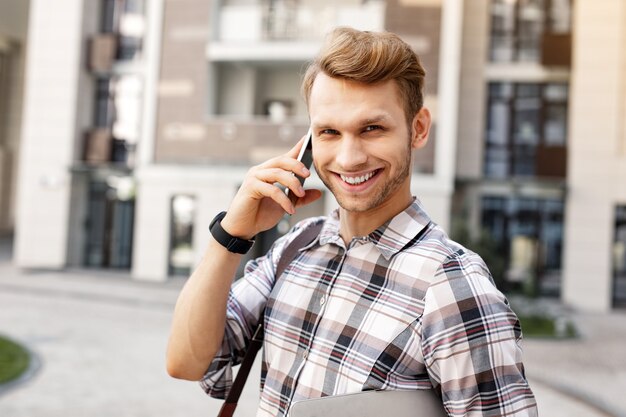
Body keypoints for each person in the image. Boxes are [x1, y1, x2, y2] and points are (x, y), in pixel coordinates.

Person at [166, 27, 538, 417]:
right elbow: (187, 362)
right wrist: (231, 236)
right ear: (309, 143)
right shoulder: (296, 248)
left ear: (419, 128)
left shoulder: (453, 289)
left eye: (371, 128)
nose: (349, 158)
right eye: (329, 132)